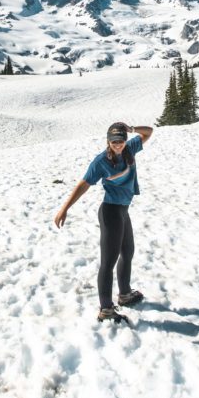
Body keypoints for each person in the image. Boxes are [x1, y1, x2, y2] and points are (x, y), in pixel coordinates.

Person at [54, 121, 153, 323]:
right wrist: (65, 208)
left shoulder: (129, 149)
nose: (118, 144)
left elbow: (149, 132)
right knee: (108, 262)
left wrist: (132, 130)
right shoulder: (101, 162)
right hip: (110, 212)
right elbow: (84, 184)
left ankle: (125, 294)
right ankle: (106, 309)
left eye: (121, 140)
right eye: (114, 141)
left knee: (128, 252)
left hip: (123, 211)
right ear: (108, 141)